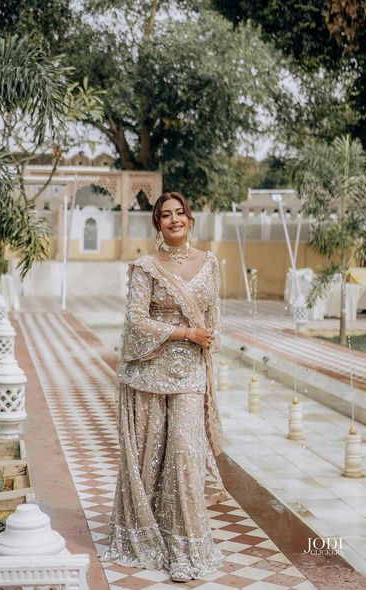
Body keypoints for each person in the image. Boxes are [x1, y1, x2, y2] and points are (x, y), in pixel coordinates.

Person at [101, 191, 227, 582]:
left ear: (190, 219)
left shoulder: (209, 263)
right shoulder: (146, 267)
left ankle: (186, 549)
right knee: (151, 460)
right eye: (165, 215)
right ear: (157, 224)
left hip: (191, 374)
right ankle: (151, 537)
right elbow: (135, 321)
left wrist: (209, 336)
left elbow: (213, 315)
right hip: (149, 375)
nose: (174, 220)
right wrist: (185, 331)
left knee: (185, 457)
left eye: (180, 213)